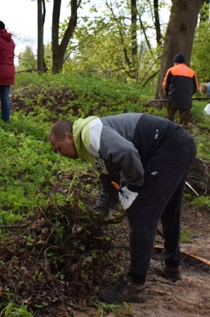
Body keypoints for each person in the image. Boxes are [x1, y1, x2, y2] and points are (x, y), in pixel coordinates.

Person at [49, 113, 197, 303]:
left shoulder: (90, 133)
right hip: (178, 145)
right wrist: (93, 220)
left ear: (69, 136)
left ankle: (135, 285)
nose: (61, 154)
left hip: (171, 145)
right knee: (169, 208)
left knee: (141, 212)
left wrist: (134, 186)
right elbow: (109, 190)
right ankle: (171, 265)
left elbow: (127, 152)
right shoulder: (90, 148)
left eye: (60, 148)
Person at [162, 53, 198, 126]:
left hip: (173, 98)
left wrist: (168, 95)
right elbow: (196, 88)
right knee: (184, 123)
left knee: (170, 119)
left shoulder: (171, 70)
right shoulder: (191, 72)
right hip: (186, 100)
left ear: (175, 62)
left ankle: (168, 134)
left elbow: (165, 85)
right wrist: (188, 95)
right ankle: (183, 135)